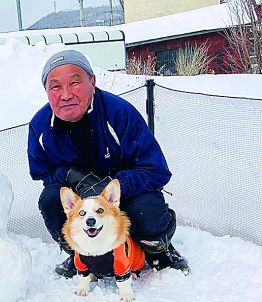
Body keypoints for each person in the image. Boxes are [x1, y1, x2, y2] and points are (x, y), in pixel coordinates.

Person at [28, 50, 189, 278]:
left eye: (75, 82)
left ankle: (159, 251)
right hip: (84, 205)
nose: (65, 94)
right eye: (55, 87)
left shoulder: (120, 113)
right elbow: (43, 174)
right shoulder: (40, 127)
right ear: (46, 91)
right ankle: (80, 255)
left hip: (126, 196)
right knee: (50, 200)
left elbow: (156, 171)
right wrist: (73, 175)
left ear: (92, 81)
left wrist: (114, 185)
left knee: (147, 210)